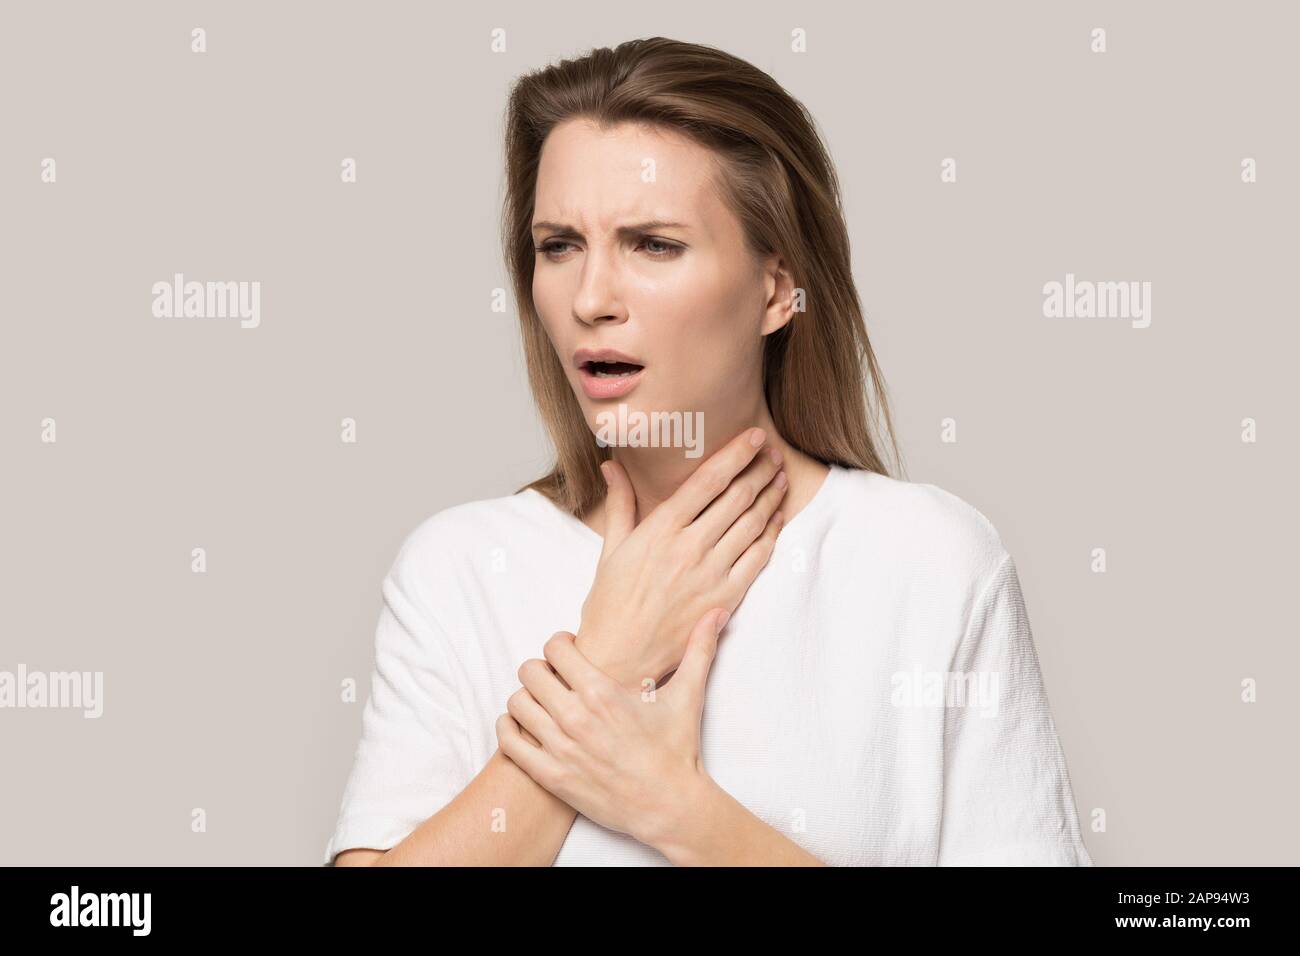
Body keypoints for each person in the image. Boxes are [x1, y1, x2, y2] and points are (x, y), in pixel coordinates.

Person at [326, 37, 1092, 866]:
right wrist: (608, 660)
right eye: (559, 246)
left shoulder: (931, 563)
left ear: (774, 290)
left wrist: (678, 810)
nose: (591, 299)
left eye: (653, 244)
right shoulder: (461, 568)